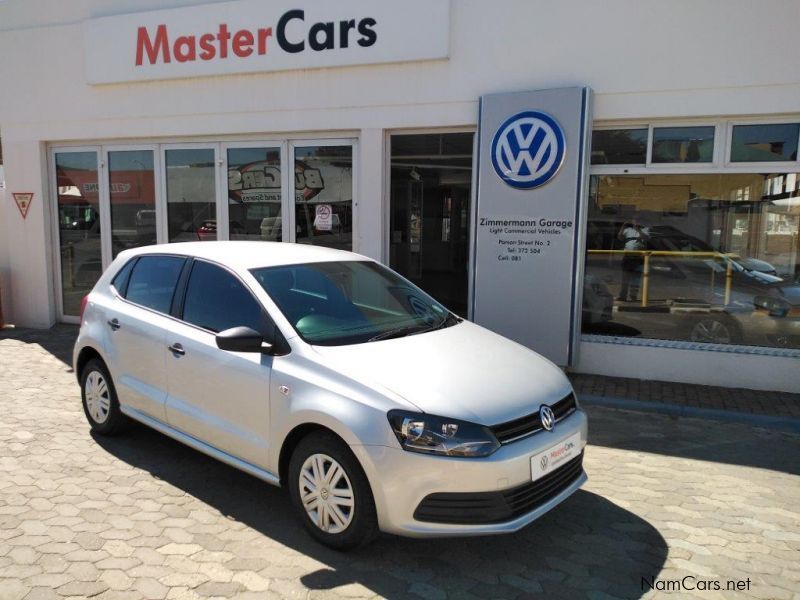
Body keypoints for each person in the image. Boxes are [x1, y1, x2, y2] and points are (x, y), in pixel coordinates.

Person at [617, 219, 646, 302]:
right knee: (625, 278)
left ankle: (633, 297)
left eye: (637, 221)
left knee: (636, 279)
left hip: (638, 258)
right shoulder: (627, 230)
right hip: (628, 257)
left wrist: (638, 230)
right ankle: (623, 296)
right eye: (634, 221)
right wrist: (623, 226)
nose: (636, 222)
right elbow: (620, 237)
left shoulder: (644, 230)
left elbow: (645, 237)